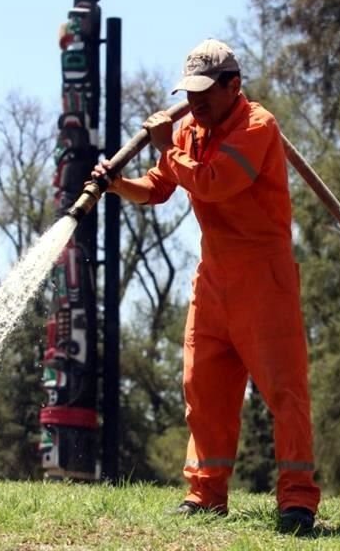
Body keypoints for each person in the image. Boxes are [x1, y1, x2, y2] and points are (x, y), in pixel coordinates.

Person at [92, 38, 320, 534]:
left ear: (233, 87)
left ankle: (297, 503)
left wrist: (166, 148)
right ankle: (205, 495)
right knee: (203, 388)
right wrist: (116, 183)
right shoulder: (192, 130)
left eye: (205, 93)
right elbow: (157, 188)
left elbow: (215, 182)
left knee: (285, 393)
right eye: (188, 92)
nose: (194, 102)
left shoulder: (258, 127)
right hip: (214, 279)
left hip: (264, 278)